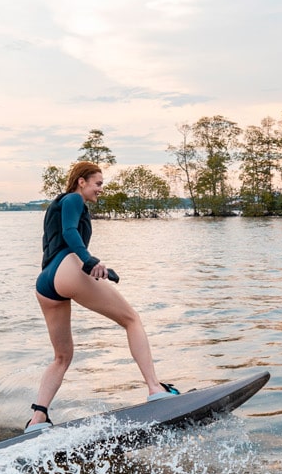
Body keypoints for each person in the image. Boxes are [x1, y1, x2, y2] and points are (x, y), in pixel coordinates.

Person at [26, 161, 177, 432]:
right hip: (66, 266)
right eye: (98, 183)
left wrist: (91, 267)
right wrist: (89, 261)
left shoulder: (58, 203)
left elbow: (60, 236)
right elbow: (70, 232)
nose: (100, 189)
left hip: (46, 282)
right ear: (81, 181)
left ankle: (37, 419)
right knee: (132, 319)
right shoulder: (74, 199)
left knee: (62, 357)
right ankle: (156, 389)